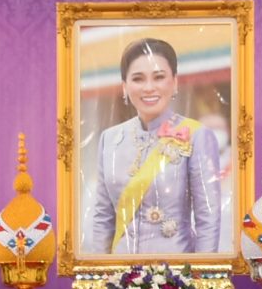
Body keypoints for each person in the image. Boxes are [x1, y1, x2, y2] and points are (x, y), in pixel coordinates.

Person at [80, 37, 225, 257]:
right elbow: (103, 217)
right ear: (124, 87)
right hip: (120, 271)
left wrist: (203, 273)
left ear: (174, 82)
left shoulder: (197, 135)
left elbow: (208, 217)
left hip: (177, 271)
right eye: (138, 79)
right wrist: (102, 271)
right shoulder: (109, 139)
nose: (149, 87)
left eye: (159, 77)